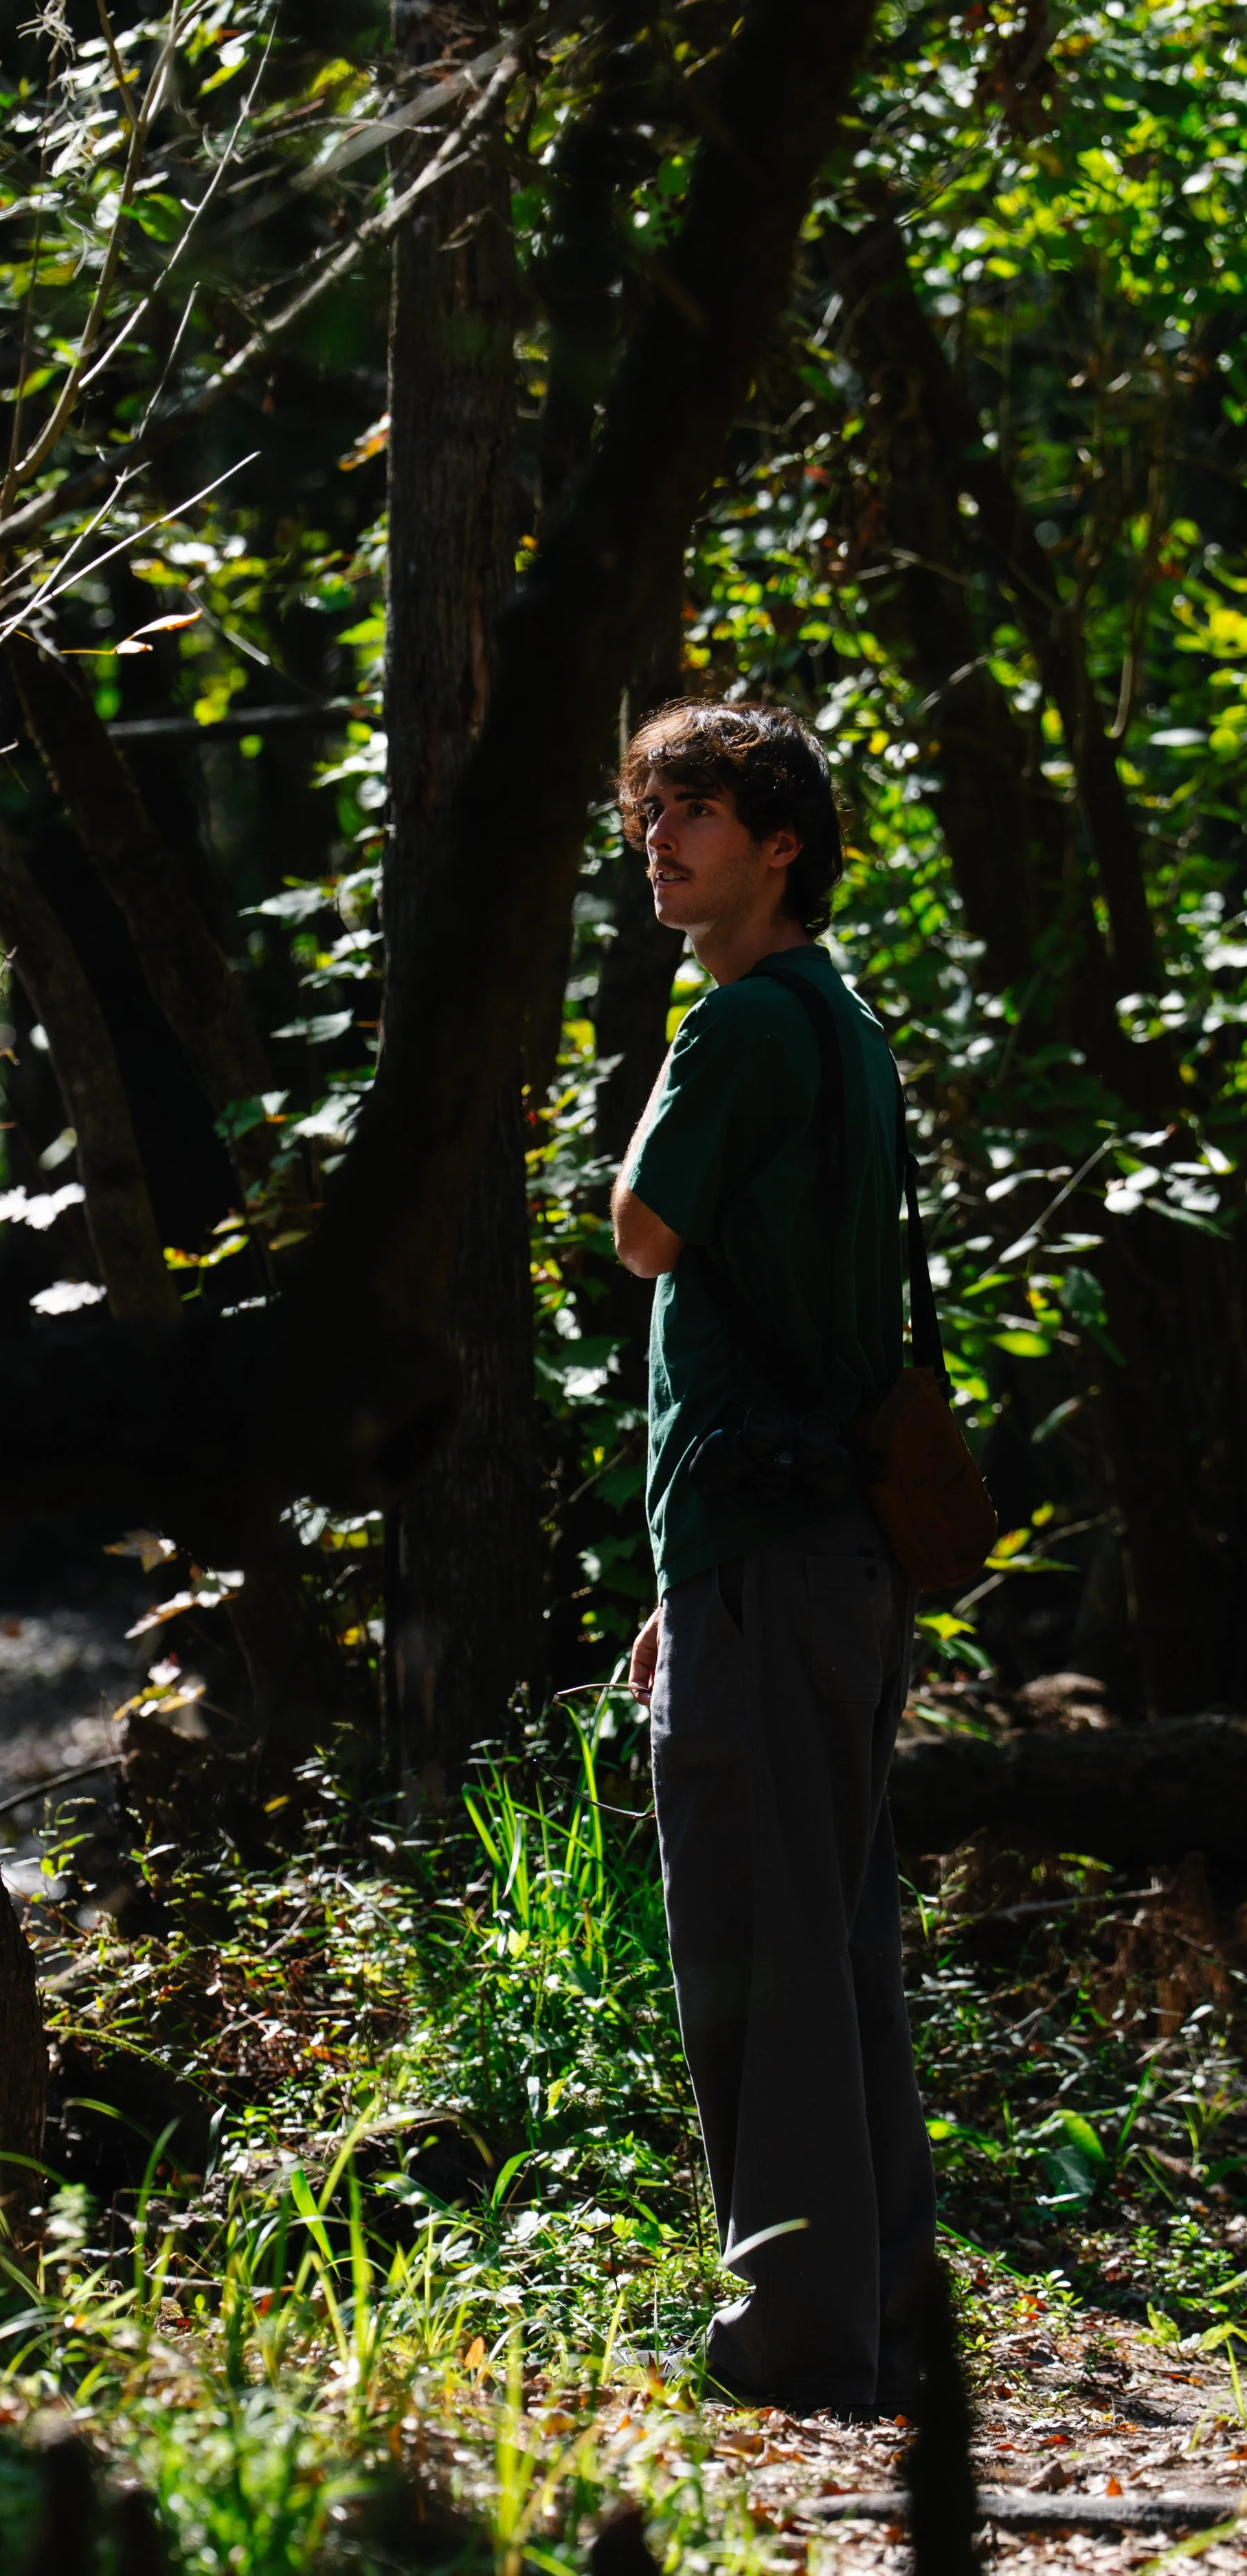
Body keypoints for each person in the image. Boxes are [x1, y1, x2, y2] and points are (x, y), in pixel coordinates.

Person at [609, 698, 936, 2420]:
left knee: (759, 1936)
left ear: (777, 841)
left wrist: (699, 1571)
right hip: (811, 1552)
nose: (656, 843)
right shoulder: (849, 1023)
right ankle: (872, 2305)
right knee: (832, 1929)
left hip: (768, 1550)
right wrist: (681, 1583)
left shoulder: (741, 1026)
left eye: (692, 816)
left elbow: (641, 1232)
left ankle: (800, 2341)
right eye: (648, 814)